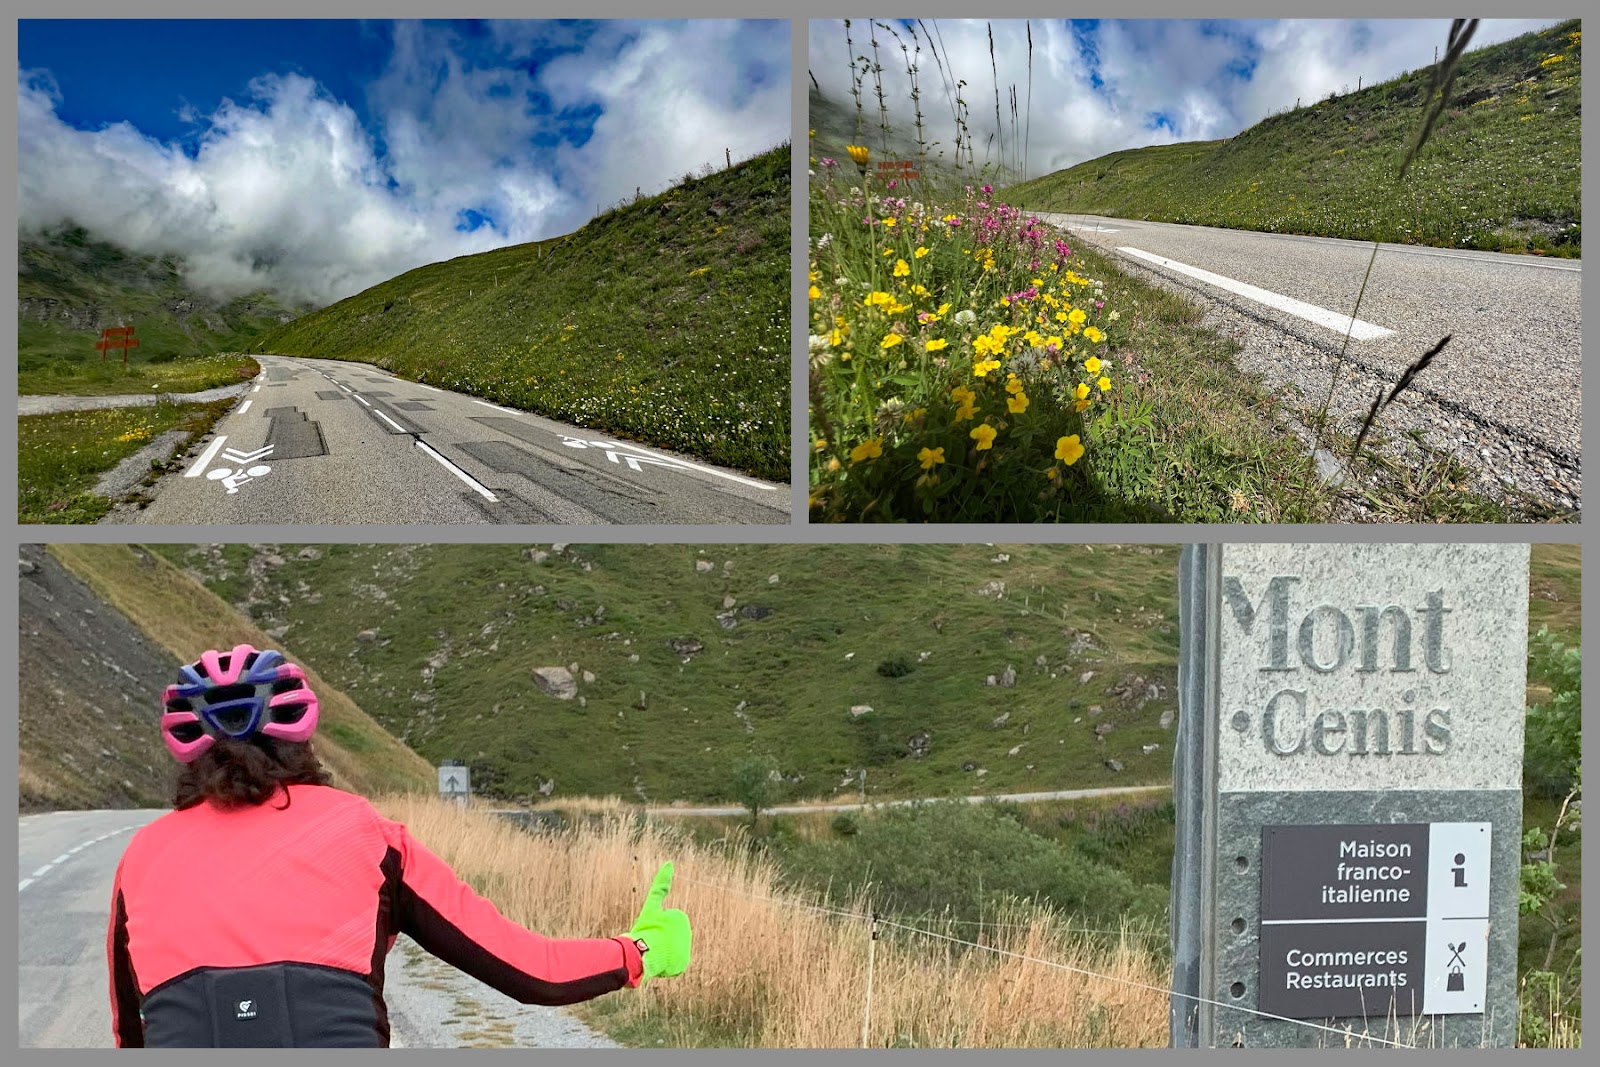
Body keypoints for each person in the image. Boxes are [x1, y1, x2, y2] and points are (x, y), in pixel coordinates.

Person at [107, 644, 690, 1048]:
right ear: (300, 742)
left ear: (188, 751)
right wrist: (638, 949)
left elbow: (129, 1032)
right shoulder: (364, 832)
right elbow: (531, 971)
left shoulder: (142, 856)